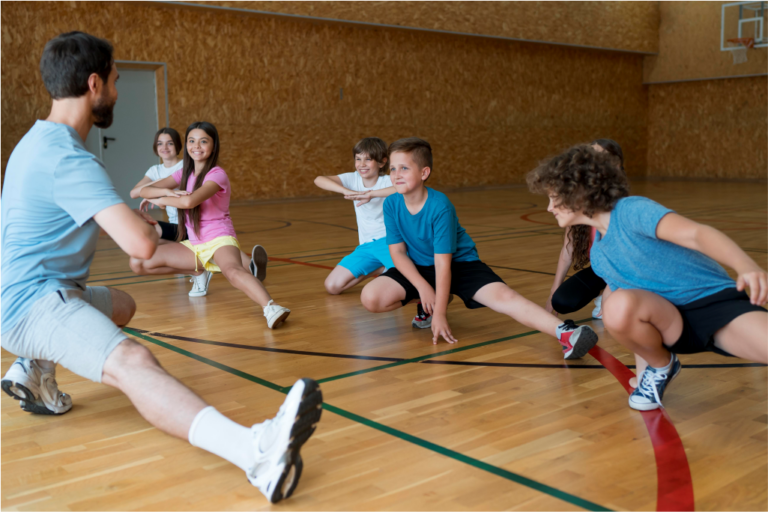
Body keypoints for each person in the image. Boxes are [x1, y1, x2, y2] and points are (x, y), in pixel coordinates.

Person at [0, 32, 321, 503]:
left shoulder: (35, 141)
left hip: (40, 290)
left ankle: (32, 369)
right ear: (93, 85)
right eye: (113, 80)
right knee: (133, 361)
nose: (116, 90)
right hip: (32, 305)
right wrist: (147, 231)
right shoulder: (69, 159)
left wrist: (146, 224)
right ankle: (256, 454)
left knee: (122, 305)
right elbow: (140, 245)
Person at [527, 144, 768, 410]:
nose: (549, 207)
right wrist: (646, 372)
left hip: (714, 305)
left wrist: (745, 264)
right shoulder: (600, 255)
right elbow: (631, 312)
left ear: (579, 193)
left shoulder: (630, 210)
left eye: (554, 197)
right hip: (672, 325)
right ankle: (661, 366)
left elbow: (698, 234)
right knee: (613, 303)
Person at [360, 137, 599, 359]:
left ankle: (565, 332)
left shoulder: (440, 206)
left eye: (404, 168)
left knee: (505, 298)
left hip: (460, 265)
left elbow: (444, 265)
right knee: (371, 298)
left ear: (424, 172)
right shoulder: (391, 203)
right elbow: (398, 253)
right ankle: (429, 303)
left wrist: (441, 313)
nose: (396, 174)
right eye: (392, 168)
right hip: (420, 267)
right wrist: (423, 288)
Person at [131, 121, 291, 328]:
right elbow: (143, 190)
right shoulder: (183, 174)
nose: (196, 146)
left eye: (203, 141)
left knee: (232, 271)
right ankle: (197, 271)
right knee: (139, 263)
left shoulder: (217, 174)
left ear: (213, 146)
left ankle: (271, 307)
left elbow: (189, 201)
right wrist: (169, 191)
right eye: (191, 141)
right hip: (195, 244)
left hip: (219, 238)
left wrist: (161, 199)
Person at [130, 127, 263, 297]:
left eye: (169, 143)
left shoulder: (192, 165)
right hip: (182, 225)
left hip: (190, 226)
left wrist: (160, 199)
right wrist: (165, 192)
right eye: (160, 143)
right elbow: (136, 193)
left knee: (225, 255)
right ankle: (200, 269)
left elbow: (188, 202)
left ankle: (250, 266)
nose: (164, 147)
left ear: (178, 146)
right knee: (139, 222)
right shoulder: (157, 170)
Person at [545, 139, 624, 321]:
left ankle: (619, 294)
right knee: (562, 301)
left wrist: (611, 290)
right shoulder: (578, 205)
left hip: (628, 271)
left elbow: (627, 260)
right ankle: (606, 290)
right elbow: (568, 250)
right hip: (602, 268)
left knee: (619, 316)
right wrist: (553, 290)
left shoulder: (621, 207)